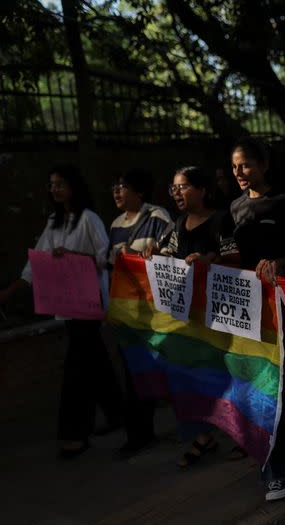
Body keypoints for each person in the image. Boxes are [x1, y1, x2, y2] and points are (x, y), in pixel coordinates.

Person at [0, 165, 124, 459]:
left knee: (76, 368)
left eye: (60, 184)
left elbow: (104, 256)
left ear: (73, 187)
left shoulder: (88, 219)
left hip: (88, 303)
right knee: (94, 360)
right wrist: (12, 289)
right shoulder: (55, 222)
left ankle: (75, 433)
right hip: (66, 305)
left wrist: (73, 257)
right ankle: (117, 412)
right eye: (51, 184)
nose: (54, 190)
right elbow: (37, 262)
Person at [227, 136, 285, 501]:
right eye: (234, 166)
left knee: (278, 383)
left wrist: (280, 264)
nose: (239, 172)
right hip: (250, 308)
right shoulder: (233, 208)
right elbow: (233, 257)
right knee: (267, 377)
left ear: (264, 166)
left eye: (246, 164)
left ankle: (279, 470)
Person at [143, 165, 240, 468]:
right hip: (188, 320)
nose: (178, 194)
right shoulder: (178, 225)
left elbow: (237, 257)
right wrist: (151, 253)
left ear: (203, 190)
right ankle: (203, 435)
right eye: (174, 188)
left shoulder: (223, 220)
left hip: (220, 317)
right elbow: (165, 257)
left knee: (226, 376)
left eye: (184, 186)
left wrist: (210, 260)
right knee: (188, 376)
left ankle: (241, 433)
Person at [108, 168, 172, 459]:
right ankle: (139, 433)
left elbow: (172, 251)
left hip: (155, 308)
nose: (117, 192)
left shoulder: (157, 217)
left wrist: (156, 254)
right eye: (115, 187)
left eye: (123, 186)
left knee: (168, 365)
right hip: (129, 310)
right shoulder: (115, 225)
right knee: (133, 369)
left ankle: (198, 425)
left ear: (140, 192)